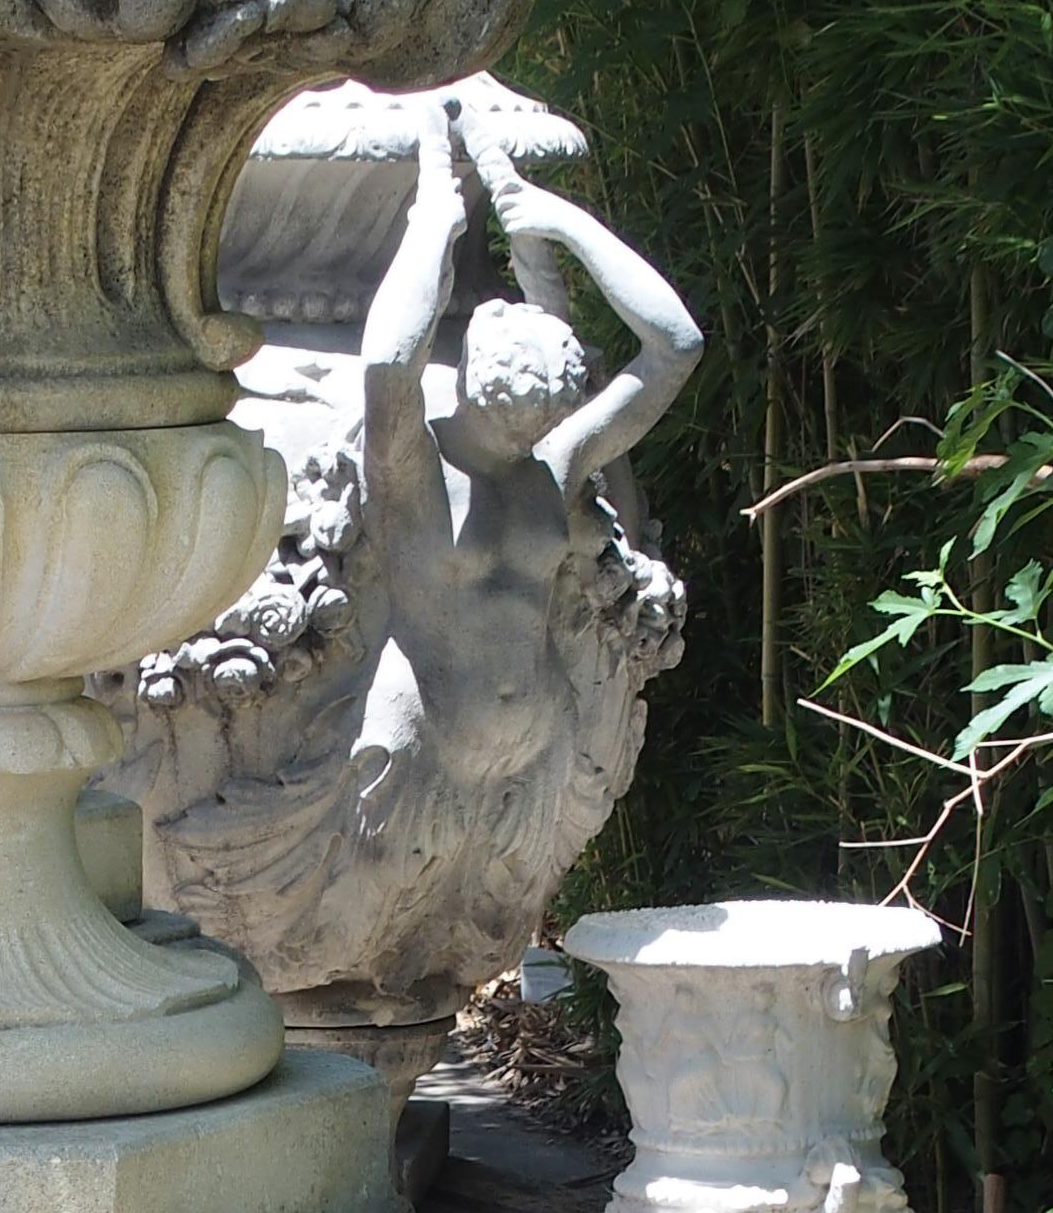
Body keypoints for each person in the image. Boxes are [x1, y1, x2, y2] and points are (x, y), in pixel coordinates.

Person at [137, 85, 701, 1022]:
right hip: (414, 759)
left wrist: (553, 220)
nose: (527, 430)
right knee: (339, 938)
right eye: (509, 411)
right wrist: (433, 219)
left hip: (521, 769)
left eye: (540, 418)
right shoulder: (416, 483)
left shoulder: (548, 470)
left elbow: (675, 344)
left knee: (409, 953)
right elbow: (389, 368)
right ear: (476, 387)